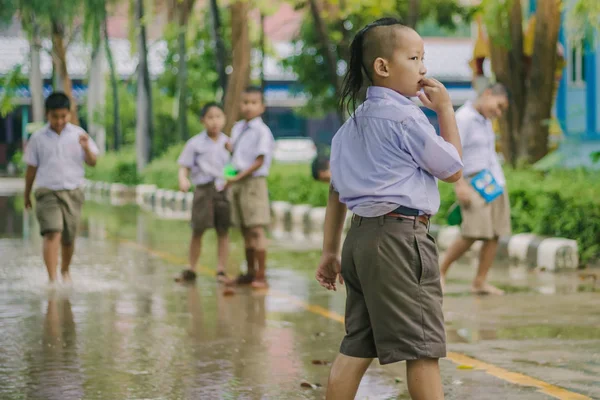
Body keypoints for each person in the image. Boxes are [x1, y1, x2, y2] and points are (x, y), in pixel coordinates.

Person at [315, 18, 463, 400]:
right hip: (400, 239)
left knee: (356, 345)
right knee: (423, 347)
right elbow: (452, 168)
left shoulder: (349, 127)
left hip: (359, 240)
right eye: (414, 58)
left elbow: (335, 192)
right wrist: (445, 110)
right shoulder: (405, 117)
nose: (423, 68)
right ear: (383, 67)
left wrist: (330, 252)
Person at [439, 84, 510, 296]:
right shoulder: (464, 118)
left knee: (495, 235)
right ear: (487, 94)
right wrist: (459, 185)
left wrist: (500, 185)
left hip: (494, 183)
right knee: (471, 233)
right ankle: (439, 272)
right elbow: (452, 152)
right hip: (472, 181)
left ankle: (480, 282)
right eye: (498, 106)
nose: (498, 113)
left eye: (501, 110)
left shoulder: (485, 121)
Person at [24, 92, 99, 284]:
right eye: (55, 116)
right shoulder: (38, 138)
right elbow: (31, 168)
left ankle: (65, 271)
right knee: (52, 231)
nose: (59, 121)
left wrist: (86, 148)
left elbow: (92, 162)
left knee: (68, 237)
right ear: (47, 114)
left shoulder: (79, 134)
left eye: (63, 116)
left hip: (73, 191)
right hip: (47, 191)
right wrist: (27, 194)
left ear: (69, 114)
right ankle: (52, 279)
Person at [176, 102, 232, 283]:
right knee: (197, 230)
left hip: (222, 190)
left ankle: (221, 270)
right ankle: (191, 268)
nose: (214, 121)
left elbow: (233, 167)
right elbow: (184, 166)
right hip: (203, 190)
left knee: (223, 231)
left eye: (218, 117)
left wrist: (231, 181)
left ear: (223, 119)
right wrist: (183, 180)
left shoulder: (228, 143)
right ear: (203, 120)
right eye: (210, 117)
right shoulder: (195, 143)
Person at [226, 86, 275, 289]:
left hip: (253, 183)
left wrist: (238, 177)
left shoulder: (262, 131)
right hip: (236, 182)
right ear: (240, 105)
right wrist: (228, 178)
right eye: (245, 102)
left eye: (254, 103)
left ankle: (261, 276)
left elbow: (259, 160)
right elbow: (233, 157)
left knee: (256, 229)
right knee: (244, 229)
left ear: (262, 107)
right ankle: (249, 273)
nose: (249, 107)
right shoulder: (237, 128)